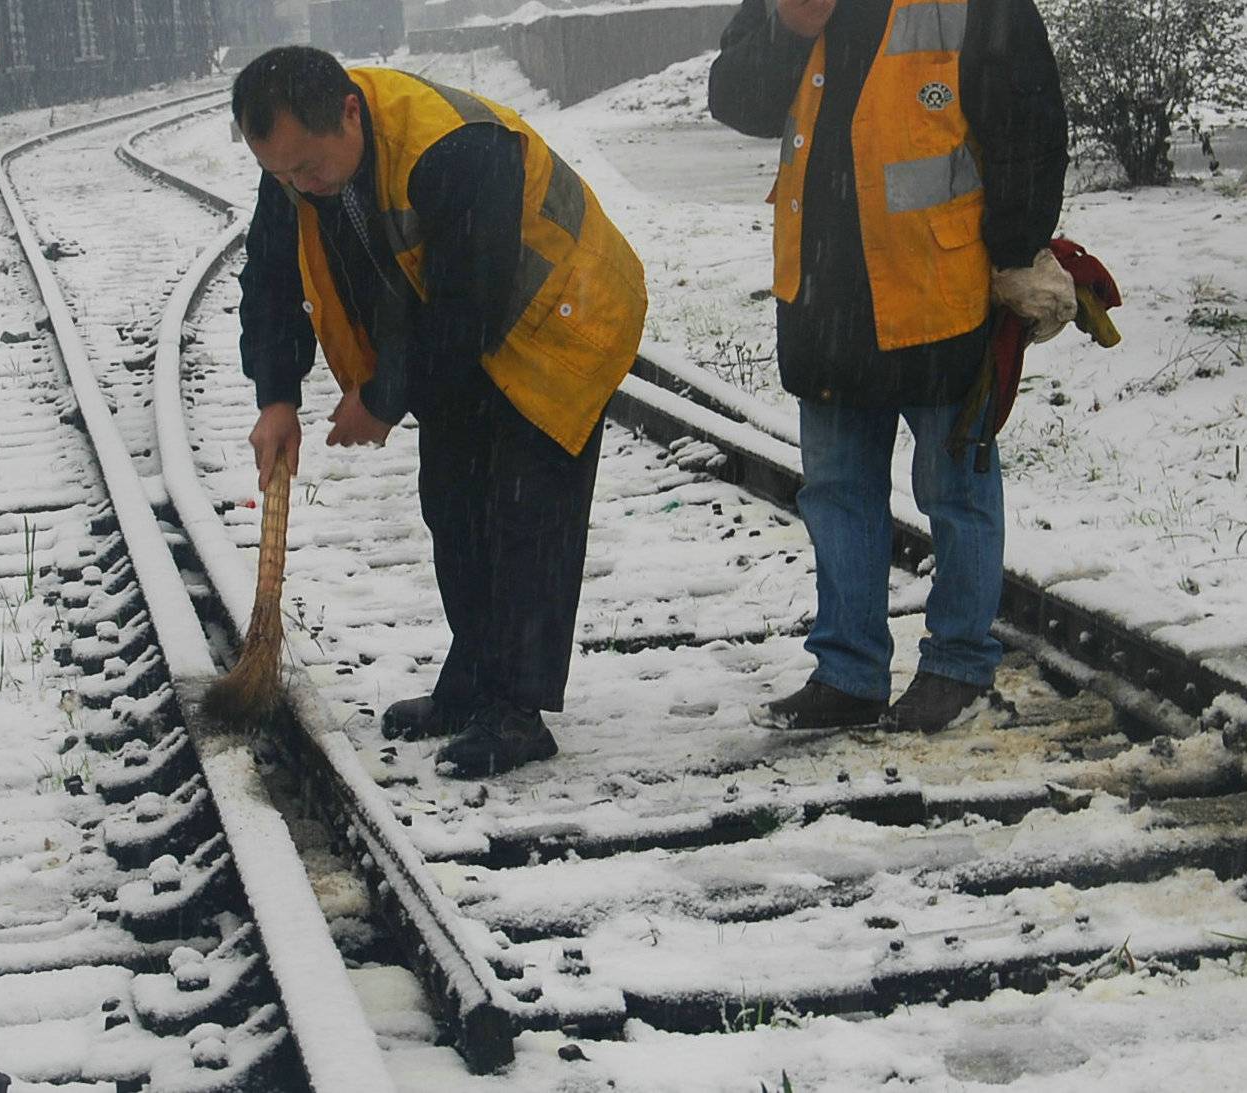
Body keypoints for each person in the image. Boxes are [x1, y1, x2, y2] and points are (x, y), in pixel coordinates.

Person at [232, 46, 648, 776]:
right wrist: (276, 397)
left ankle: (517, 711)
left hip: (562, 317)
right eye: (280, 174)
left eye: (306, 167)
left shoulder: (456, 147)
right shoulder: (299, 172)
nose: (300, 186)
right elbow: (270, 275)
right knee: (453, 503)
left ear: (349, 113)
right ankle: (472, 682)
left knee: (524, 511)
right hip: (468, 328)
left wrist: (384, 396)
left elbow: (466, 307)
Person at [708, 0, 1074, 733]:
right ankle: (847, 671)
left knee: (954, 491)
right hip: (825, 292)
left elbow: (1028, 128)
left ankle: (958, 664)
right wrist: (790, 29)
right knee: (837, 490)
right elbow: (735, 99)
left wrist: (1015, 252)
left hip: (937, 290)